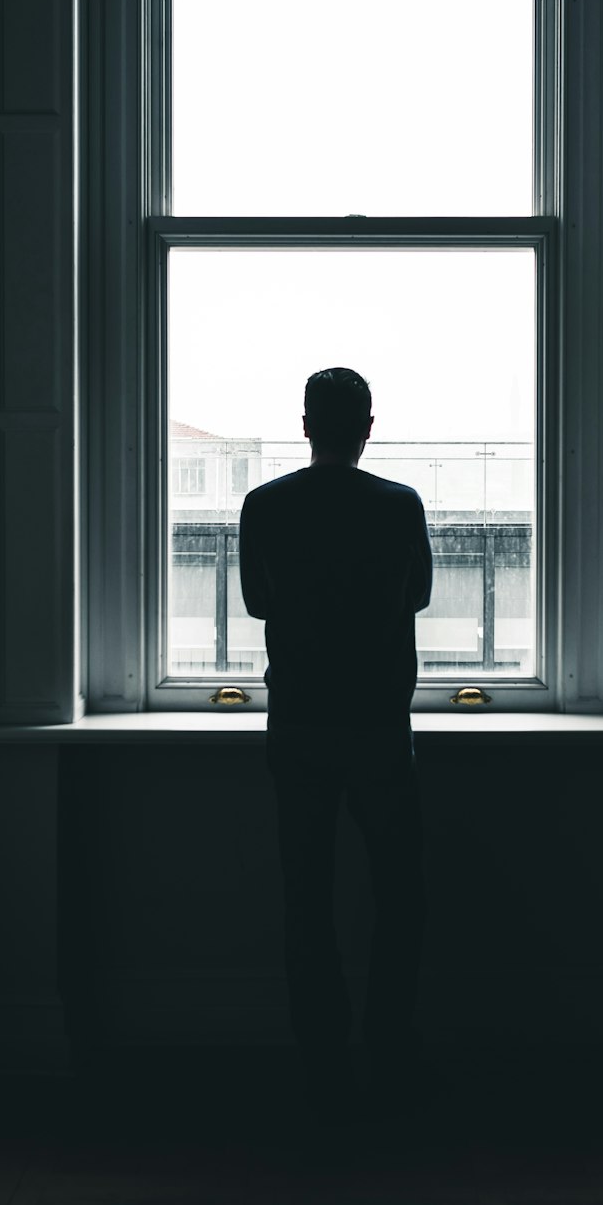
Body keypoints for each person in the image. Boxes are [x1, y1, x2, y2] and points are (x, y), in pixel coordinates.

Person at [239, 368, 433, 1123]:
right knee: (401, 895)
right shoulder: (397, 505)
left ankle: (323, 1063)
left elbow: (258, 602)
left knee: (307, 898)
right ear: (367, 427)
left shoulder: (266, 504)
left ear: (307, 424)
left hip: (300, 723)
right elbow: (416, 595)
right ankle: (388, 1046)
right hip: (379, 722)